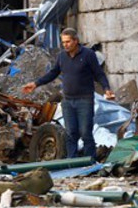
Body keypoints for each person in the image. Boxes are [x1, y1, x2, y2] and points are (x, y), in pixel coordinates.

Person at [22, 28, 114, 160]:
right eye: (63, 42)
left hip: (84, 100)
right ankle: (72, 162)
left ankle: (90, 162)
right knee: (71, 133)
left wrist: (106, 88)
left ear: (76, 41)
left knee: (85, 132)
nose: (65, 44)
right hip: (68, 101)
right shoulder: (62, 56)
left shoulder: (88, 55)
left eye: (68, 42)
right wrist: (36, 84)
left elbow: (99, 74)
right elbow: (53, 73)